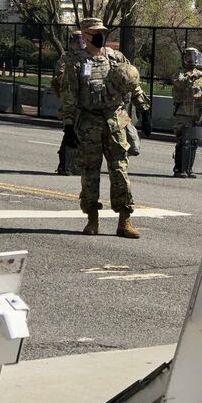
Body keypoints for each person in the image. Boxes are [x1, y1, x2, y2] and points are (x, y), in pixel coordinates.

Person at [58, 17, 140, 238]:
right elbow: (69, 96)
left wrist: (142, 107)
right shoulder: (76, 63)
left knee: (120, 170)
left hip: (115, 121)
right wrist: (68, 127)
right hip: (89, 123)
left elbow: (132, 81)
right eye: (95, 32)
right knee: (90, 172)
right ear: (85, 35)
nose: (100, 35)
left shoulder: (116, 58)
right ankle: (92, 219)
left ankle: (125, 220)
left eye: (102, 31)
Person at [172, 47, 202, 178]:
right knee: (183, 140)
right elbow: (179, 83)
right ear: (183, 58)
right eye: (189, 57)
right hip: (183, 111)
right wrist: (191, 76)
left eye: (194, 57)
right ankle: (179, 168)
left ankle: (189, 168)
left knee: (194, 141)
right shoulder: (180, 72)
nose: (192, 60)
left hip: (198, 112)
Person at [53, 31, 85, 175]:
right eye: (77, 41)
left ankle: (76, 165)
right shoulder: (65, 59)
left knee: (82, 135)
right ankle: (64, 165)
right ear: (71, 43)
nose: (80, 44)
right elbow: (60, 77)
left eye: (82, 41)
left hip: (83, 101)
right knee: (69, 132)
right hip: (69, 100)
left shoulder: (86, 58)